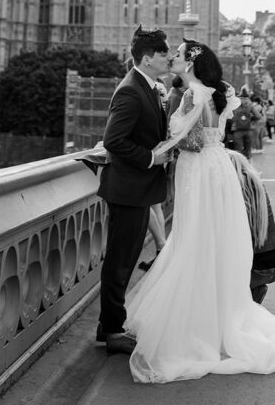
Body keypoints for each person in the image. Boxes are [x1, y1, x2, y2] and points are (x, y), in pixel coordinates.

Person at [125, 40, 275, 383]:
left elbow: (192, 142)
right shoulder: (215, 93)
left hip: (198, 170)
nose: (173, 56)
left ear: (190, 63)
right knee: (211, 240)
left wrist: (162, 146)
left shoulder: (193, 95)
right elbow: (212, 136)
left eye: (178, 52)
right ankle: (219, 313)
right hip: (217, 169)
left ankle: (197, 319)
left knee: (194, 239)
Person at [97, 25, 174, 354]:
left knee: (126, 260)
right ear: (146, 58)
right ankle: (112, 331)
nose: (169, 57)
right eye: (163, 53)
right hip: (127, 190)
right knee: (119, 262)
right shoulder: (130, 89)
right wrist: (151, 158)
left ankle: (109, 326)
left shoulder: (150, 86)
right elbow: (113, 141)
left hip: (137, 190)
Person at [225, 147, 275, 304]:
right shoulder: (258, 186)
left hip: (257, 267)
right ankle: (255, 289)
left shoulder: (236, 193)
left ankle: (251, 291)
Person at [231, 87, 255, 159]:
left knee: (238, 149)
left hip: (237, 128)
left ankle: (239, 165)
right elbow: (258, 115)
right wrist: (251, 119)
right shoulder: (250, 103)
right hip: (248, 128)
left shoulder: (235, 102)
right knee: (248, 148)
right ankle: (247, 165)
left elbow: (230, 115)